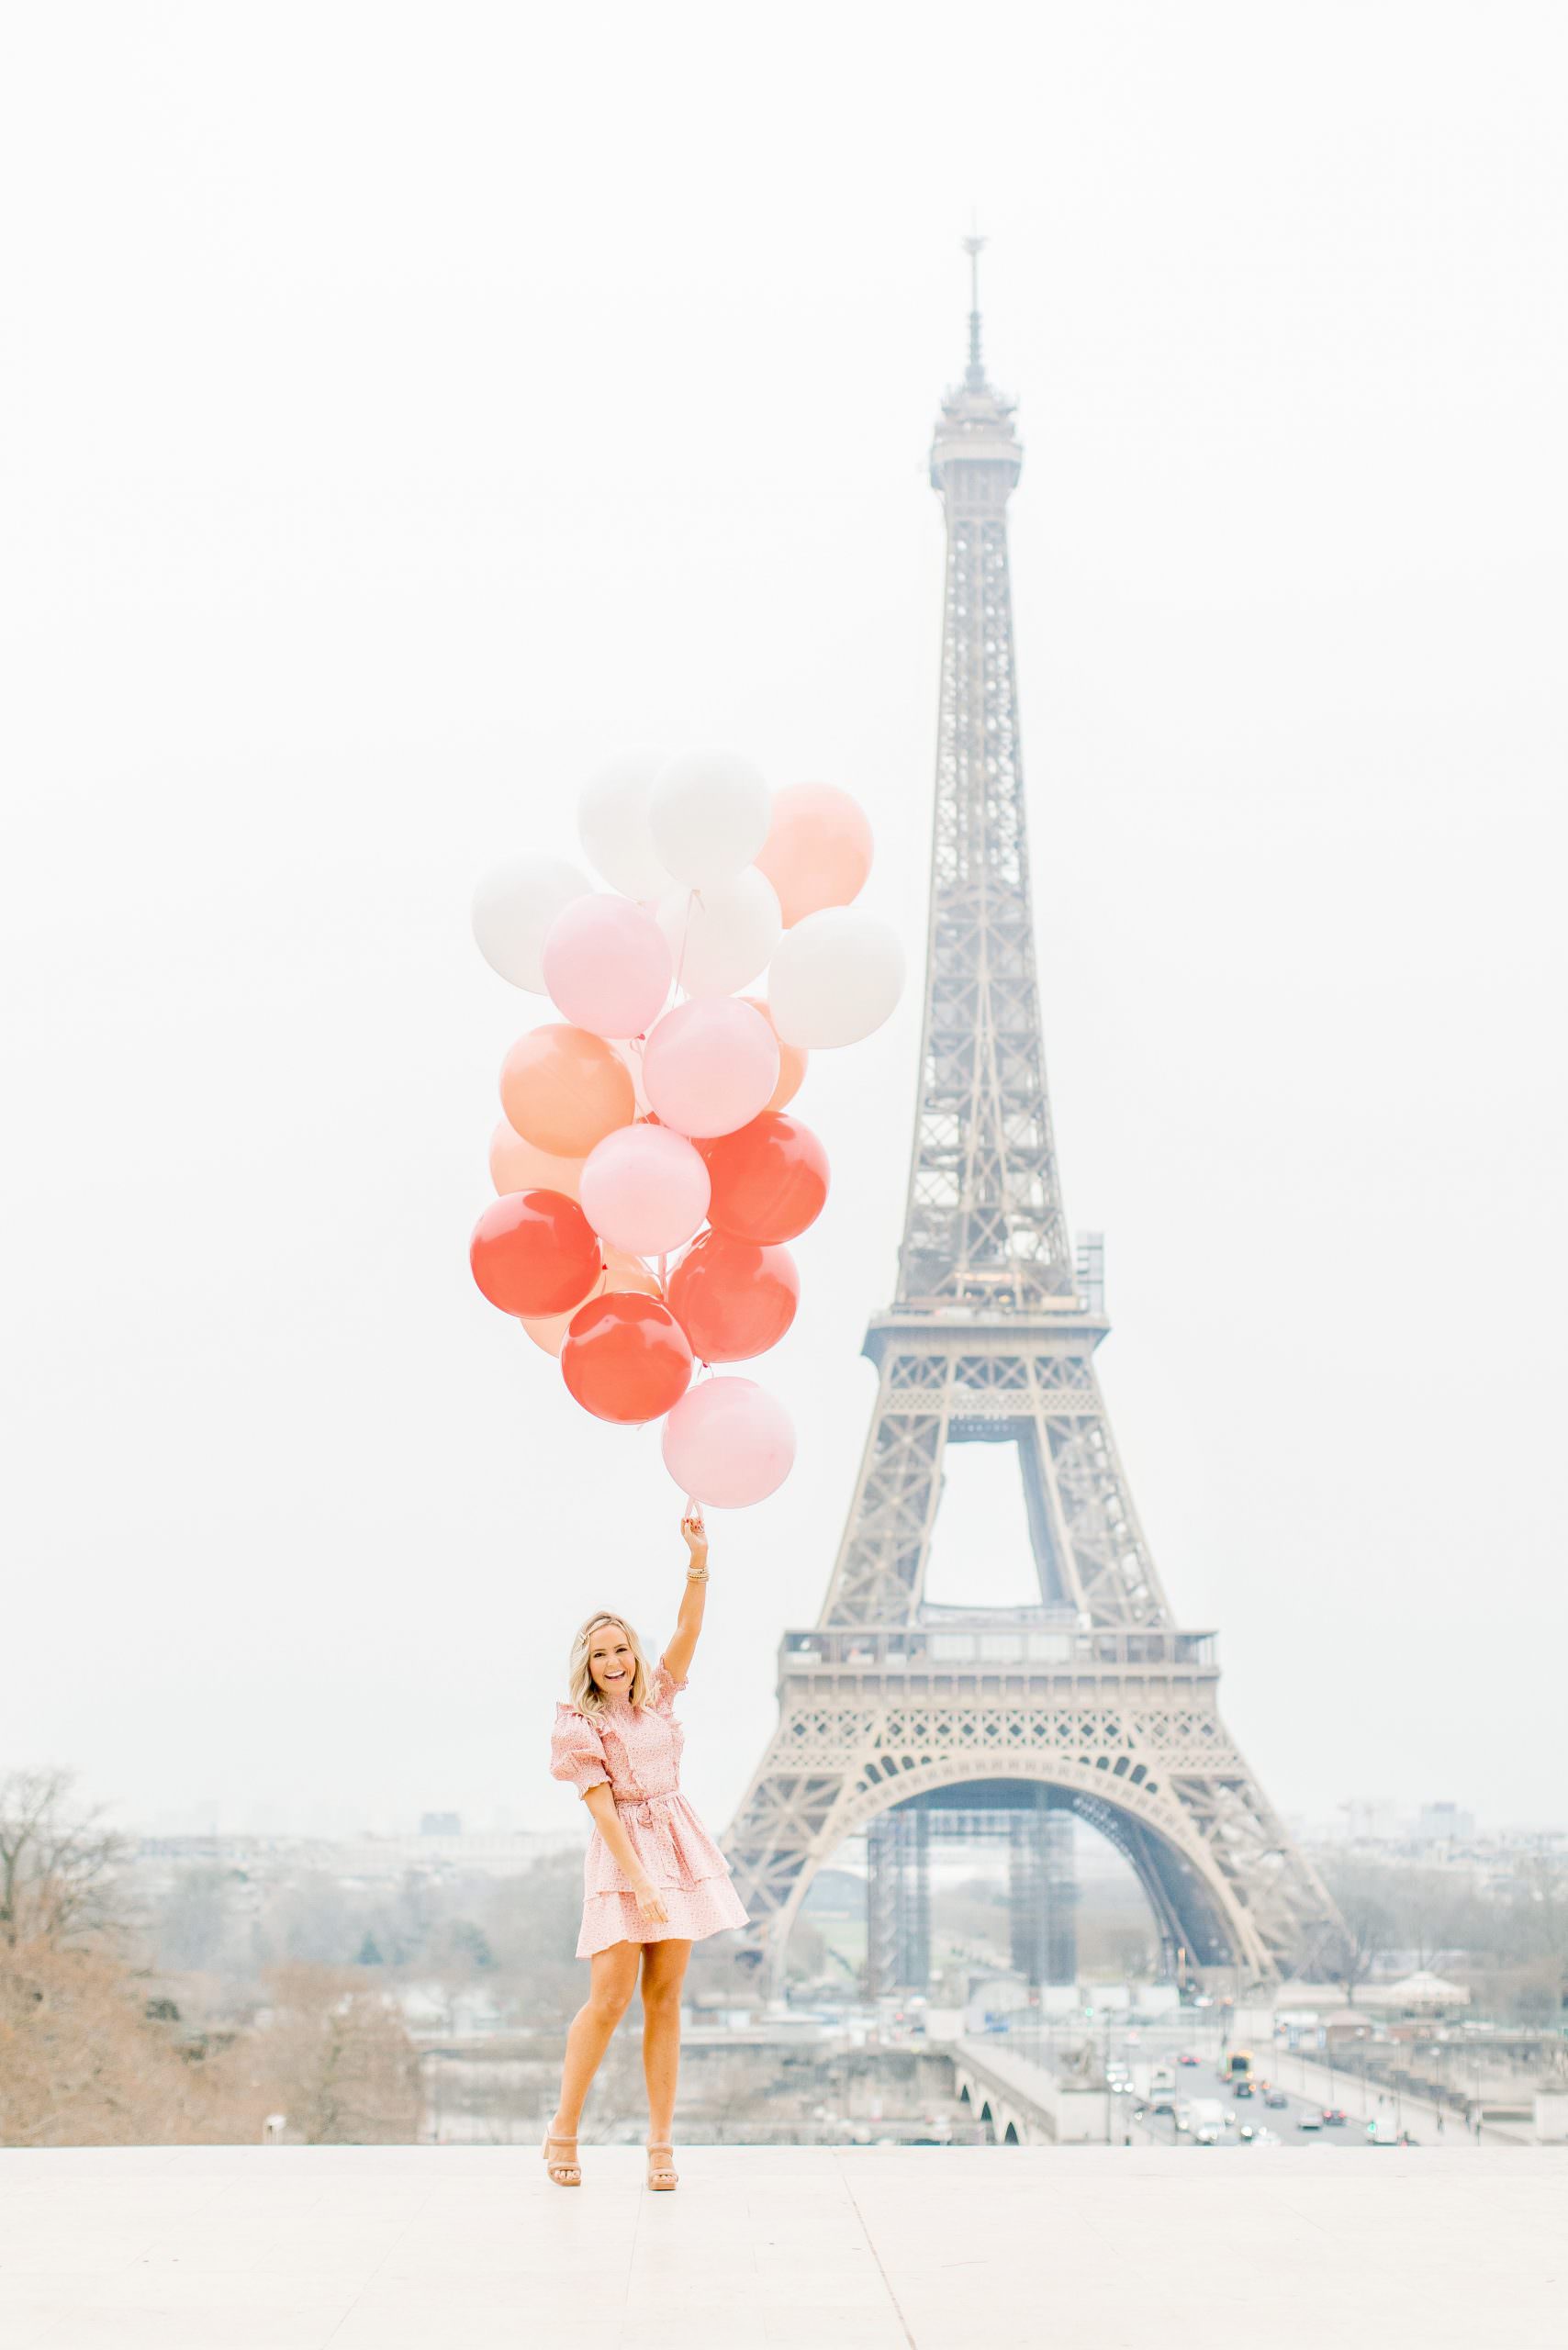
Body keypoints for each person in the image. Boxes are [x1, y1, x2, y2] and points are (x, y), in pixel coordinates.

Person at [543, 1509, 747, 2192]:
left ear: (633, 1652)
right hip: (623, 1855)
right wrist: (642, 1881)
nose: (613, 1662)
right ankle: (563, 2129)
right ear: (587, 1665)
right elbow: (601, 1810)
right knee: (609, 1999)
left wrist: (699, 1559)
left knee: (666, 1998)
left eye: (620, 1649)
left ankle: (661, 2143)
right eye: (599, 1653)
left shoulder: (658, 1699)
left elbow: (689, 1630)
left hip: (677, 1844)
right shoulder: (579, 1724)